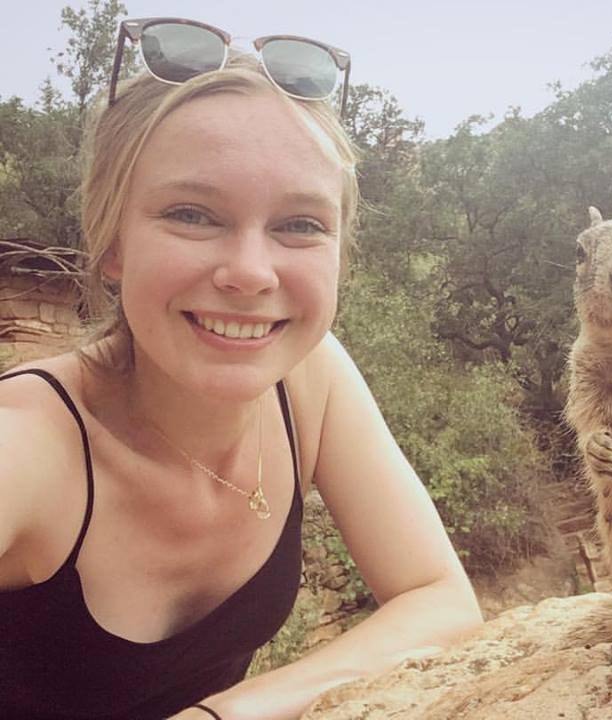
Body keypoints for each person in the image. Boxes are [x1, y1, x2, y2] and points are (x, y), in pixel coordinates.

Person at [0, 17, 483, 720]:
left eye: (300, 224)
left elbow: (438, 597)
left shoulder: (309, 380)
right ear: (113, 244)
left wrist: (225, 714)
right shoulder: (29, 446)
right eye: (192, 214)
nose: (251, 273)